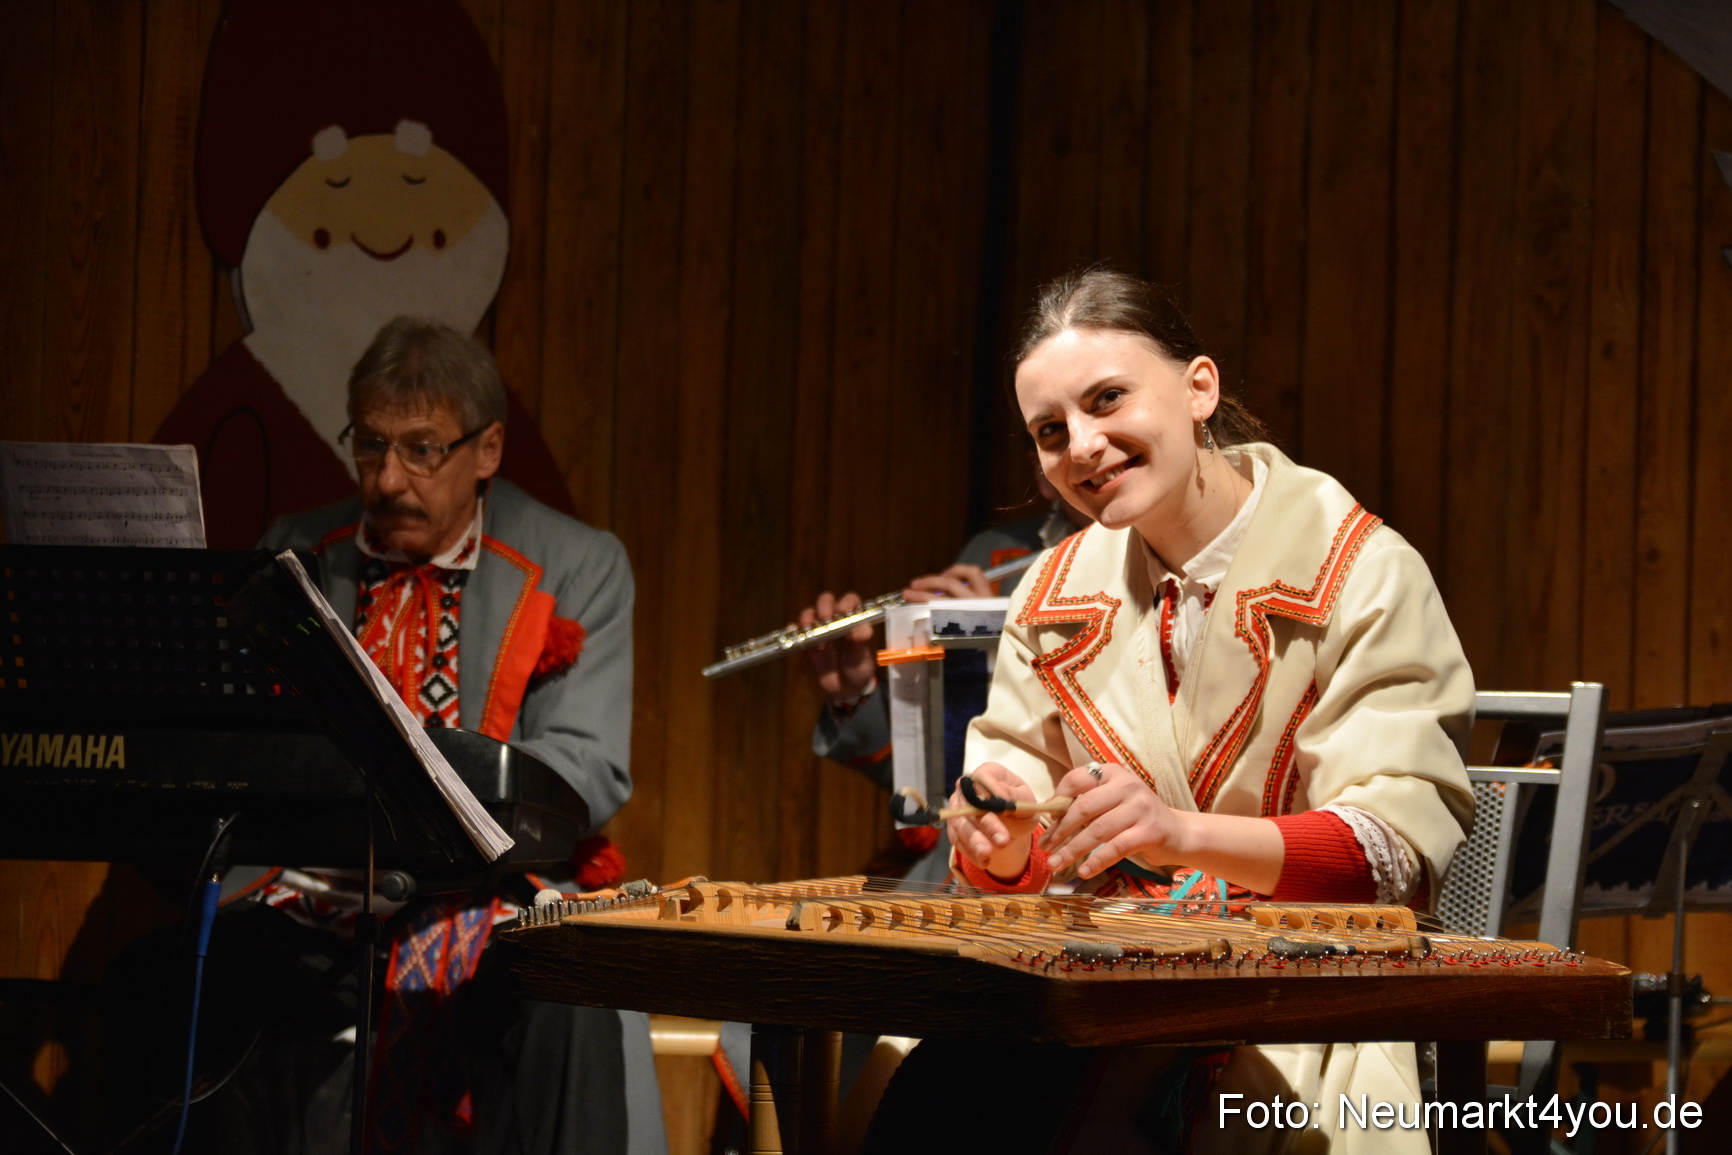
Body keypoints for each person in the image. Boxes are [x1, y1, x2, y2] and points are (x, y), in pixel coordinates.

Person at [873, 270, 1475, 1155]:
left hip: (1300, 1004)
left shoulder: (1361, 569)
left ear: (1201, 387)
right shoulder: (1054, 590)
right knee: (924, 1090)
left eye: (1108, 399)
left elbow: (1392, 854)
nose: (1082, 446)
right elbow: (1019, 832)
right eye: (1049, 431)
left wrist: (1177, 834)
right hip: (1096, 981)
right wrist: (1003, 847)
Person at [233, 318, 663, 1155]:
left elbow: (585, 768)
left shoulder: (580, 563)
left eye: (422, 449)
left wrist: (422, 800)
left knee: (565, 1001)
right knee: (175, 973)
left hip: (492, 886)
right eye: (370, 446)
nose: (389, 478)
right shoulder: (295, 550)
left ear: (489, 448)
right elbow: (256, 748)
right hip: (318, 889)